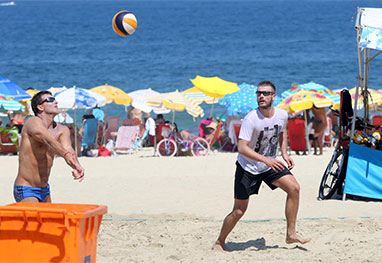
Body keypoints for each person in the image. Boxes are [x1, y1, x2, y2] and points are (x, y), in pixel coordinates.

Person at [214, 80, 310, 251]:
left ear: (274, 96)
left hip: (269, 166)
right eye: (259, 93)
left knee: (294, 188)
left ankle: (290, 234)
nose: (261, 96)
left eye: (265, 93)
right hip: (248, 168)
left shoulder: (281, 115)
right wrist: (266, 159)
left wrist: (284, 153)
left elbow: (282, 131)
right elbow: (242, 147)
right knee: (239, 211)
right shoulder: (251, 119)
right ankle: (220, 241)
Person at [13, 91, 84, 203]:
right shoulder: (32, 122)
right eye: (50, 100)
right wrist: (65, 155)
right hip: (27, 188)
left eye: (55, 99)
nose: (56, 101)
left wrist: (76, 166)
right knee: (34, 218)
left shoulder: (62, 130)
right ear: (40, 107)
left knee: (49, 220)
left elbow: (68, 149)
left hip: (44, 189)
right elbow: (48, 140)